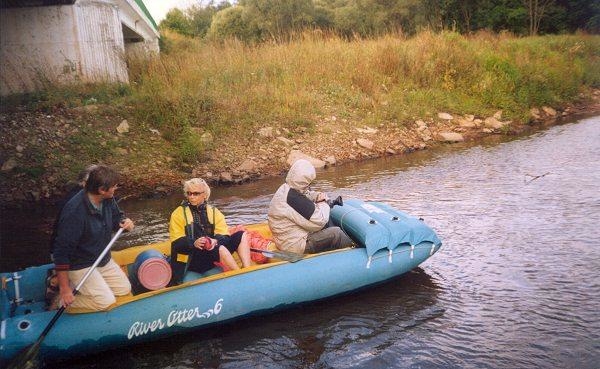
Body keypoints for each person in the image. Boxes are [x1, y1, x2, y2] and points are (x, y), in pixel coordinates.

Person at [52, 165, 134, 311]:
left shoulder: (108, 199)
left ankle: (86, 286)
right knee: (105, 301)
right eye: (114, 187)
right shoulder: (74, 212)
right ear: (102, 189)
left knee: (123, 289)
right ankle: (60, 300)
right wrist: (65, 290)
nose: (115, 189)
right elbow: (61, 252)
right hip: (80, 264)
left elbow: (117, 217)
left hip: (101, 258)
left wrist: (124, 222)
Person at [168, 178, 252, 285]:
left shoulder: (213, 212)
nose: (191, 197)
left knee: (241, 235)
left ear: (205, 195)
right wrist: (193, 243)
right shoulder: (178, 214)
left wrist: (214, 240)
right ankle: (240, 277)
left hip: (209, 254)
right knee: (220, 249)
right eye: (189, 193)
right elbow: (176, 243)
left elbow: (224, 236)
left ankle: (247, 270)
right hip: (191, 258)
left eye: (196, 194)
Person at [268, 159, 353, 254]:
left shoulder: (286, 188)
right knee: (337, 234)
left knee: (327, 224)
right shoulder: (294, 199)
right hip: (294, 246)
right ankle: (353, 254)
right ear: (304, 182)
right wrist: (323, 203)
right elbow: (320, 221)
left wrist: (317, 196)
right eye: (308, 183)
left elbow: (305, 194)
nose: (308, 186)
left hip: (285, 240)